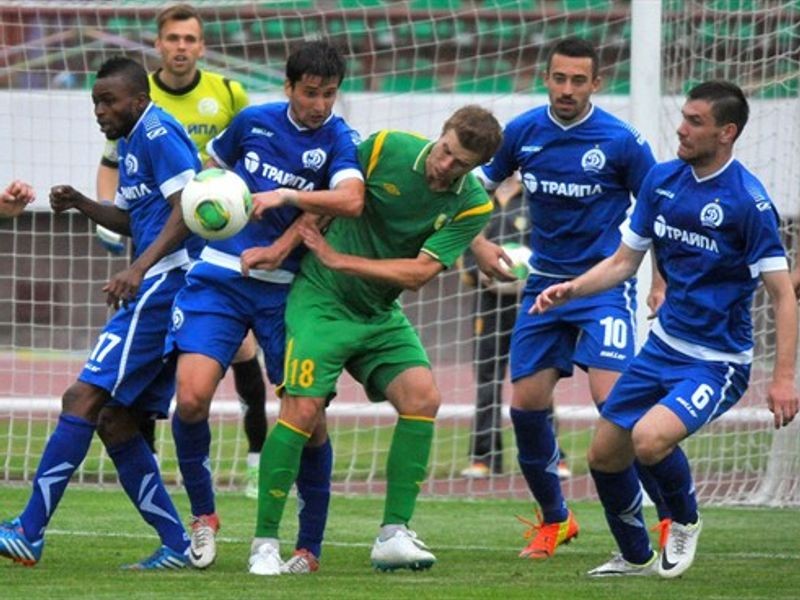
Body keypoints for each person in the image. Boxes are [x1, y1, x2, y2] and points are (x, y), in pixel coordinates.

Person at [533, 80, 798, 578]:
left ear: (727, 132)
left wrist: (783, 378)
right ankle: (634, 556)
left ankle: (684, 519)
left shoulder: (748, 202)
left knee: (650, 439)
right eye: (683, 116)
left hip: (716, 360)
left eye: (695, 121)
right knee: (604, 457)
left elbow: (784, 296)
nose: (681, 127)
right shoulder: (661, 180)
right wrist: (572, 289)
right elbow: (621, 262)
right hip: (660, 348)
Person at [242, 105, 503, 575]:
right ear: (439, 134)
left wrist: (343, 260)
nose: (446, 166)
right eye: (446, 151)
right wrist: (279, 251)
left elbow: (420, 273)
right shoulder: (385, 148)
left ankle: (392, 535)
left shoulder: (472, 206)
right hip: (321, 301)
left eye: (461, 163)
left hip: (380, 312)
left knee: (423, 397)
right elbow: (325, 202)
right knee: (302, 410)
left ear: (476, 167)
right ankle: (264, 543)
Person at [164, 40, 364, 573]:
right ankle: (204, 517)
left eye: (329, 94)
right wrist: (215, 210)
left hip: (289, 294)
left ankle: (308, 545)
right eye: (310, 93)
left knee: (309, 418)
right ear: (289, 87)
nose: (320, 104)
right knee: (189, 399)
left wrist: (287, 202)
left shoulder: (342, 139)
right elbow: (211, 175)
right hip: (220, 279)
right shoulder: (252, 122)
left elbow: (349, 201)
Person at [471, 37, 671, 559]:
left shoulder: (621, 140)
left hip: (603, 288)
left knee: (618, 404)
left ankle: (667, 515)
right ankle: (556, 520)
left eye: (577, 81)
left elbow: (658, 210)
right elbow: (475, 190)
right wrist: (477, 242)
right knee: (526, 406)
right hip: (541, 288)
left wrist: (660, 279)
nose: (566, 89)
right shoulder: (522, 133)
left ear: (596, 83)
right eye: (559, 79)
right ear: (546, 78)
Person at [0, 56, 200, 569]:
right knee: (114, 419)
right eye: (94, 101)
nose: (98, 110)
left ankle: (28, 529)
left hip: (165, 282)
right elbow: (140, 217)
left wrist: (138, 270)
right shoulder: (132, 141)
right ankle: (176, 545)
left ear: (139, 98)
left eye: (108, 101)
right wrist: (84, 202)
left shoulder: (158, 133)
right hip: (160, 279)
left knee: (81, 397)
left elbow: (189, 209)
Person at [95, 3, 267, 500]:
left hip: (222, 240)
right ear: (159, 45)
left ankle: (256, 456)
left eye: (190, 39)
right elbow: (112, 162)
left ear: (201, 46)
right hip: (161, 243)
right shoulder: (131, 96)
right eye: (173, 38)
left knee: (240, 349)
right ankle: (147, 465)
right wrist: (105, 211)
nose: (181, 47)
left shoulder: (227, 94)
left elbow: (250, 150)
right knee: (158, 360)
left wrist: (238, 205)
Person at [459, 176, 570, 480]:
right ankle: (484, 457)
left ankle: (554, 456)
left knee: (538, 376)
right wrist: (477, 274)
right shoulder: (479, 198)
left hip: (531, 303)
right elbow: (464, 247)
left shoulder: (535, 196)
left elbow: (549, 243)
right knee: (486, 380)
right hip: (489, 303)